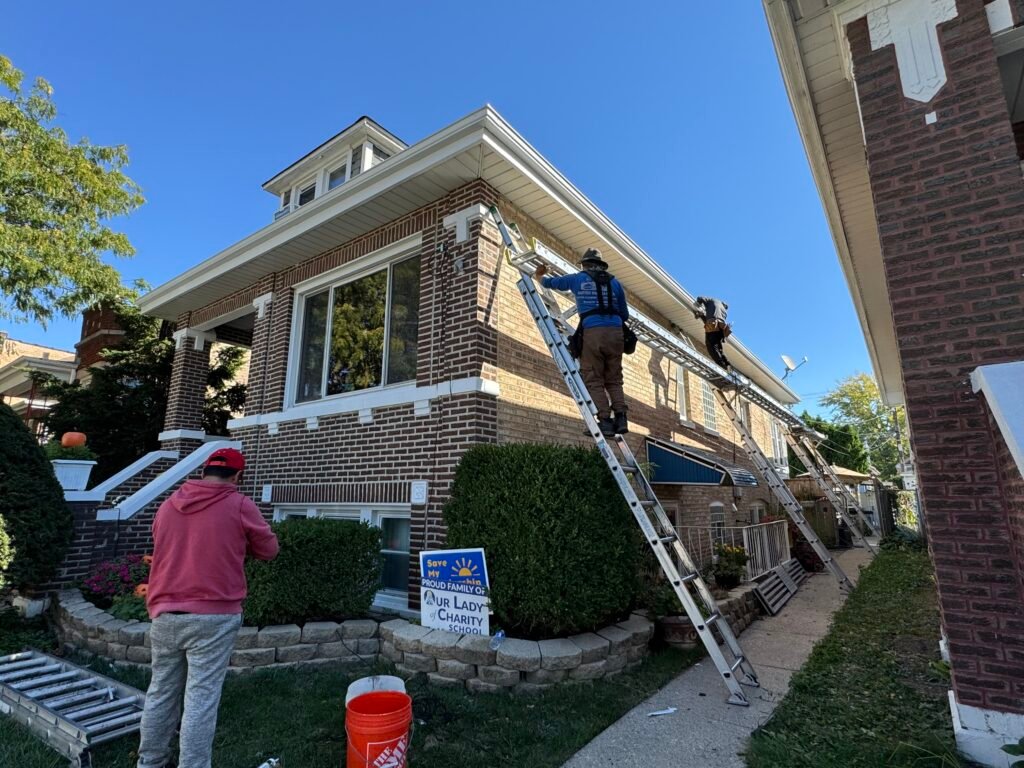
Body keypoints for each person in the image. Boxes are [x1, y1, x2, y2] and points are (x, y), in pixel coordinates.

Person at [136, 447, 279, 768]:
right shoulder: (239, 503)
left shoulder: (169, 505)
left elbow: (163, 542)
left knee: (160, 691)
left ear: (204, 471)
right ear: (238, 476)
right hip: (214, 616)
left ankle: (149, 762)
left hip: (165, 613)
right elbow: (269, 549)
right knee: (201, 698)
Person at [535, 248, 631, 436]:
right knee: (614, 379)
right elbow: (624, 314)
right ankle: (621, 418)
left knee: (593, 377)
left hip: (593, 332)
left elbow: (550, 283)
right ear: (601, 266)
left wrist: (539, 275)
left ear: (585, 264)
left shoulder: (578, 279)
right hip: (616, 334)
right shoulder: (616, 283)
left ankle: (605, 421)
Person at [694, 295, 731, 371]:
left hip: (713, 325)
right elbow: (711, 319)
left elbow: (700, 298)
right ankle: (727, 364)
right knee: (718, 348)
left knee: (711, 346)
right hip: (722, 329)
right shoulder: (724, 311)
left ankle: (722, 366)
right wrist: (701, 315)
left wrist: (697, 304)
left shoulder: (712, 300)